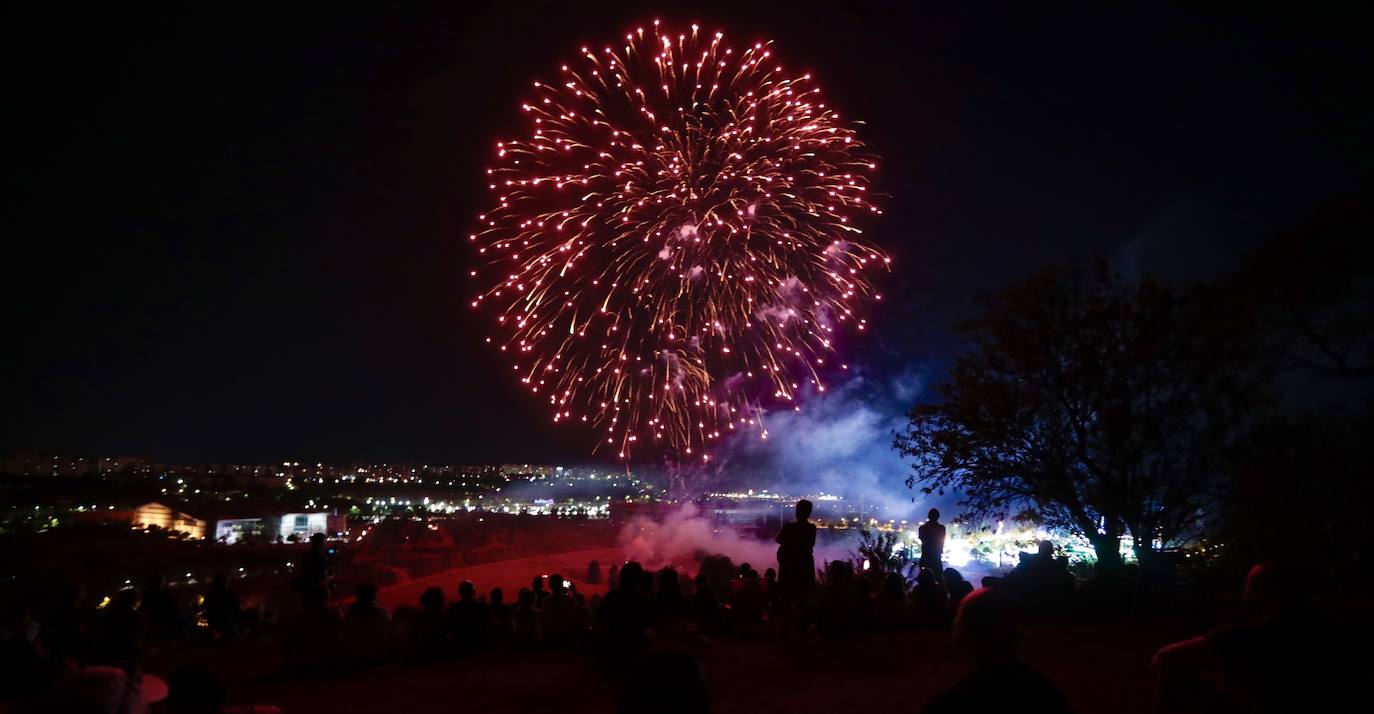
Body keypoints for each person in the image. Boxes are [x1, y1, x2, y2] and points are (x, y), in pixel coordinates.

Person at [1151, 562, 1328, 713]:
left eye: (1249, 584)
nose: (1245, 589)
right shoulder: (1319, 626)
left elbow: (1164, 656)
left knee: (1170, 674)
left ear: (1264, 593)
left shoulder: (1251, 635)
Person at [923, 588, 1070, 713]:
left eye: (958, 623)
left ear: (963, 635)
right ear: (1018, 633)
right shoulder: (1048, 696)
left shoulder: (946, 705)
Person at [775, 499, 817, 634]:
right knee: (802, 598)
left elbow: (779, 539)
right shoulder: (811, 528)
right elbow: (810, 545)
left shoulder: (790, 527)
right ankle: (800, 627)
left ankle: (786, 628)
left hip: (789, 566)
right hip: (804, 566)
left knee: (787, 598)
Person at [341, 583, 390, 666]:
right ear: (374, 596)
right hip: (379, 655)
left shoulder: (349, 615)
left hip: (355, 657)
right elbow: (387, 631)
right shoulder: (381, 613)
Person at [448, 580, 488, 653]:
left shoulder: (454, 609)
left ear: (460, 593)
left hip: (460, 645)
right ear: (473, 592)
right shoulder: (481, 606)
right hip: (478, 644)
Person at [203, 575, 241, 641]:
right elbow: (236, 608)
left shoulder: (209, 596)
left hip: (216, 623)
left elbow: (207, 609)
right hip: (228, 623)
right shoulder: (230, 594)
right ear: (224, 583)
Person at [918, 509, 946, 580]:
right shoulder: (941, 528)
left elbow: (922, 539)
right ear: (938, 517)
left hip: (926, 556)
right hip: (936, 557)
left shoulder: (922, 528)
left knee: (924, 579)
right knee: (938, 578)